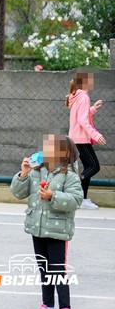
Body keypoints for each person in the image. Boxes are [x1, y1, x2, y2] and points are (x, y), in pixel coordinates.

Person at [11, 133, 82, 309]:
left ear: (63, 152)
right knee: (44, 270)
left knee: (57, 270)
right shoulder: (35, 172)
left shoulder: (70, 175)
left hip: (57, 231)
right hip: (37, 229)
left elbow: (76, 200)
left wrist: (53, 195)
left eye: (50, 146)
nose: (46, 148)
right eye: (46, 145)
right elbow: (18, 193)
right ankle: (48, 307)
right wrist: (23, 174)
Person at [65, 71, 105, 210]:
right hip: (80, 139)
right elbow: (82, 120)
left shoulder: (77, 95)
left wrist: (93, 109)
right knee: (94, 167)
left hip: (77, 138)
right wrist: (96, 135)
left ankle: (82, 199)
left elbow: (81, 114)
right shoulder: (83, 97)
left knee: (89, 167)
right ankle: (76, 190)